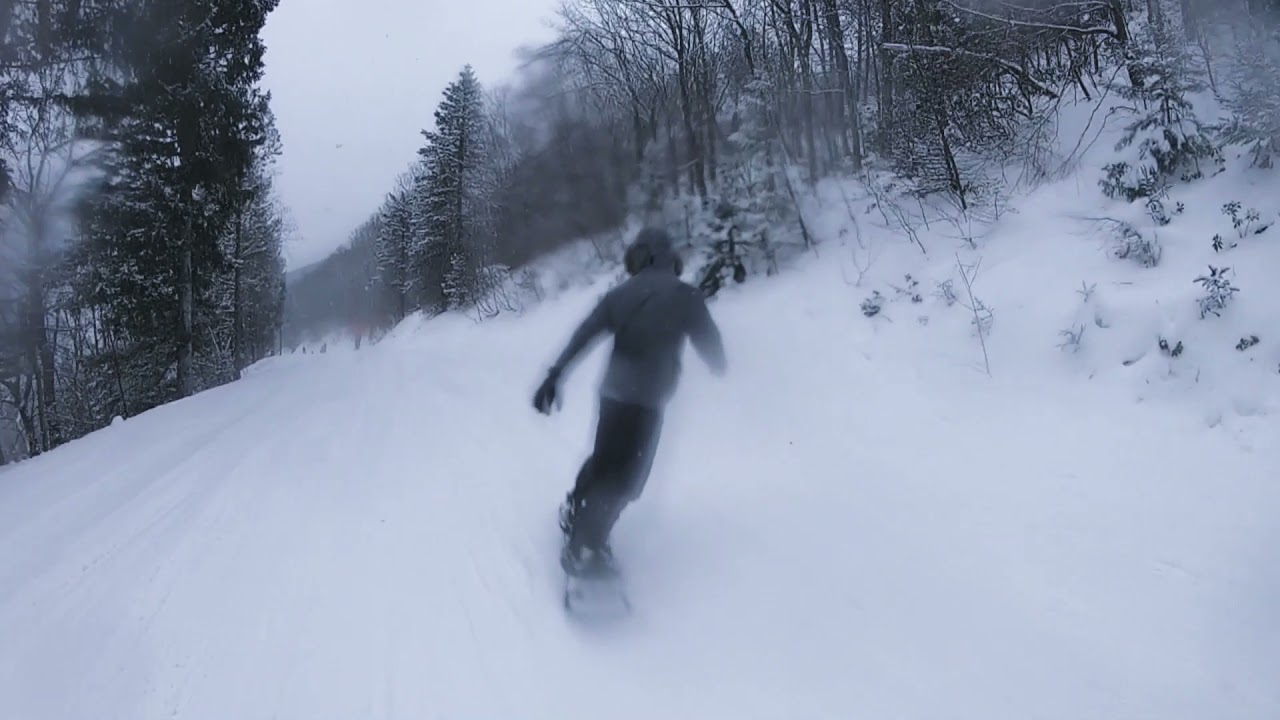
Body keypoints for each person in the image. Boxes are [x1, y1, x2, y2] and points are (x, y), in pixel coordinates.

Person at [532, 227, 727, 576]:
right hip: (650, 402)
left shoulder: (620, 295)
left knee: (606, 461)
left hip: (615, 395)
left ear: (641, 256)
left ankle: (578, 512)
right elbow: (710, 343)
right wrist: (719, 364)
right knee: (628, 479)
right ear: (671, 257)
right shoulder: (686, 297)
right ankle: (587, 546)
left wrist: (556, 373)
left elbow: (584, 335)